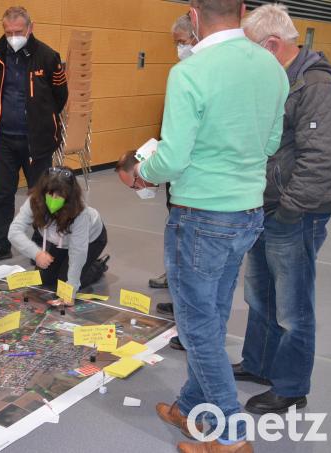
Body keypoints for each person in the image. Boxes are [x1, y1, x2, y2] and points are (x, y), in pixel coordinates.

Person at [119, 1, 288, 451]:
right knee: (210, 318)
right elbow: (271, 141)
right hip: (247, 213)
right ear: (243, 9)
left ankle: (231, 434)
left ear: (194, 16)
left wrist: (143, 172)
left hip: (201, 216)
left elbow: (173, 158)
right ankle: (191, 407)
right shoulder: (271, 67)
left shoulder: (190, 72)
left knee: (196, 329)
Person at [235, 4, 331, 415]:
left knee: (293, 306)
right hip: (267, 205)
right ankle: (259, 364)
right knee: (260, 293)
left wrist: (290, 209)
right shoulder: (278, 80)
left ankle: (291, 386)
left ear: (272, 45)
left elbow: (320, 160)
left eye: (251, 51)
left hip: (297, 212)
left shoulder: (316, 87)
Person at [0, 6, 69, 264]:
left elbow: (60, 95)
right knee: (2, 195)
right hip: (4, 139)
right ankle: (1, 244)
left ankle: (40, 246)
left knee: (41, 196)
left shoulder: (48, 56)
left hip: (36, 142)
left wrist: (42, 119)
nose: (13, 36)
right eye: (8, 32)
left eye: (18, 31)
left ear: (30, 28)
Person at [149, 13, 200, 292]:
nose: (179, 48)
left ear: (197, 36)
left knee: (191, 233)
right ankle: (174, 273)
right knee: (176, 224)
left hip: (195, 174)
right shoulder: (182, 72)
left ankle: (183, 281)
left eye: (182, 41)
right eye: (176, 43)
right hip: (176, 172)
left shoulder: (203, 74)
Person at [8, 166, 108, 298]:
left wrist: (71, 289)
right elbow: (14, 231)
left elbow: (78, 251)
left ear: (69, 196)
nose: (53, 199)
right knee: (44, 278)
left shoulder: (80, 211)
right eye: (50, 194)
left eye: (59, 195)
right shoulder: (34, 200)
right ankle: (72, 265)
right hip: (60, 241)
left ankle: (96, 266)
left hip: (91, 240)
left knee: (64, 282)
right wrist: (36, 253)